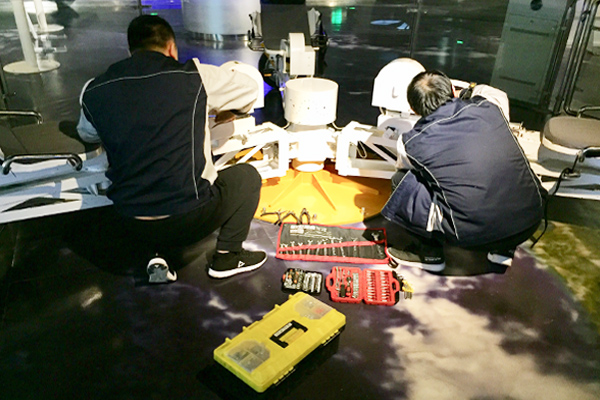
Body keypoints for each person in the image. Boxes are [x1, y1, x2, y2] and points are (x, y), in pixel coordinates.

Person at [77, 15, 267, 281]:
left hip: (128, 220)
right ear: (171, 48)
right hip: (187, 220)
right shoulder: (196, 77)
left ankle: (154, 254)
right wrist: (232, 110)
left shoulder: (94, 89)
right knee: (246, 177)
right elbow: (249, 89)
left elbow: (87, 133)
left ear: (131, 50)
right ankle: (227, 256)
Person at [382, 70, 546, 272]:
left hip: (473, 238)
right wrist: (466, 91)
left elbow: (405, 169)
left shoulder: (410, 142)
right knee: (503, 169)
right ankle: (503, 250)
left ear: (413, 109)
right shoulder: (490, 105)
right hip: (529, 221)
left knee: (402, 181)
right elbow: (493, 92)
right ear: (453, 89)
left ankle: (429, 253)